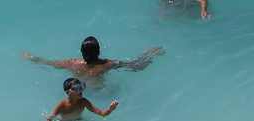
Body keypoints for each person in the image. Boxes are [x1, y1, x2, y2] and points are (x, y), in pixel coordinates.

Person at [21, 36, 165, 87]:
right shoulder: (107, 64)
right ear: (99, 52)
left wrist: (30, 57)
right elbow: (135, 66)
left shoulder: (70, 63)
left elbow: (47, 63)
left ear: (81, 52)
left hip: (81, 93)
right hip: (102, 92)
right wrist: (149, 53)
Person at [45, 78, 118, 121]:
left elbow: (101, 113)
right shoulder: (62, 105)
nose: (81, 90)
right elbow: (49, 118)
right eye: (77, 88)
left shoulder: (84, 102)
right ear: (68, 92)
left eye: (81, 87)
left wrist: (110, 110)